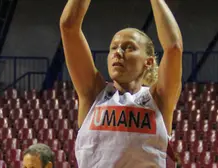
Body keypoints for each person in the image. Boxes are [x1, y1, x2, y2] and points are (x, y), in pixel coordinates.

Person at [60, 0, 183, 167]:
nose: (118, 52)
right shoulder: (93, 94)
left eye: (128, 47)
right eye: (113, 48)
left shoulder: (159, 99)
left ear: (148, 62)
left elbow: (174, 47)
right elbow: (68, 26)